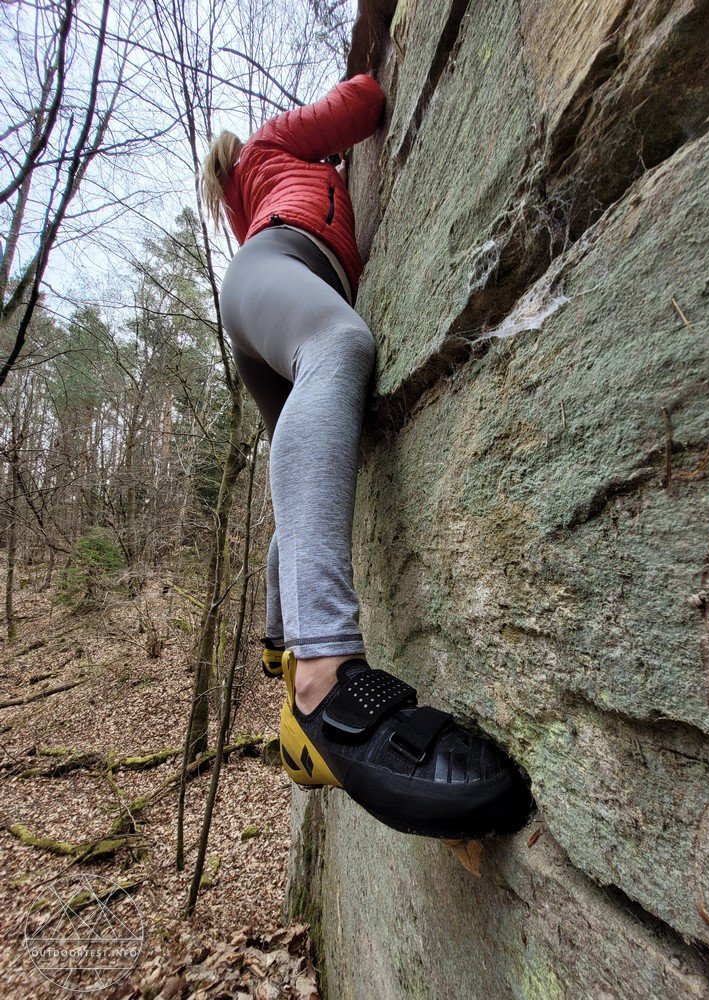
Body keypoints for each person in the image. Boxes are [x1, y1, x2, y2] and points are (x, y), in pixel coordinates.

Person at [201, 74, 531, 839]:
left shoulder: (246, 199)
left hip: (261, 298)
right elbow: (364, 102)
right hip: (280, 270)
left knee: (313, 471)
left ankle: (286, 667)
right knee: (340, 343)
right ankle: (322, 680)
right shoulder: (270, 145)